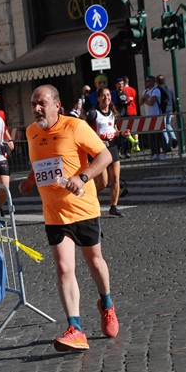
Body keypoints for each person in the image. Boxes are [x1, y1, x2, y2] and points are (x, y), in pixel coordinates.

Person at [19, 84, 119, 352]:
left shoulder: (75, 127)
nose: (37, 108)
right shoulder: (31, 132)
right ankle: (75, 328)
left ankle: (106, 304)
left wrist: (83, 177)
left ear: (57, 104)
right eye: (33, 104)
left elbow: (105, 155)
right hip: (54, 213)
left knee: (95, 262)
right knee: (64, 268)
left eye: (41, 103)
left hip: (83, 209)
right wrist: (30, 179)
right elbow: (40, 161)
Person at [86, 87, 125, 216]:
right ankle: (86, 200)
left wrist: (122, 133)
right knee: (102, 183)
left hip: (112, 147)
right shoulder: (93, 114)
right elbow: (85, 130)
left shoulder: (113, 113)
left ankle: (113, 207)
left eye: (108, 95)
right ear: (98, 98)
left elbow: (114, 130)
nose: (106, 97)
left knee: (116, 179)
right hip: (99, 150)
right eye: (103, 95)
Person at [139, 76, 165, 160]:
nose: (147, 82)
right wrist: (143, 97)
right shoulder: (145, 91)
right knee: (152, 137)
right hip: (148, 117)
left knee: (159, 136)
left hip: (156, 116)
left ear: (153, 82)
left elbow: (151, 102)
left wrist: (145, 99)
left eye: (149, 81)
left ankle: (163, 153)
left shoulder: (156, 90)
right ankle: (154, 153)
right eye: (146, 81)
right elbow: (140, 103)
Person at [156, 74, 177, 150]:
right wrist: (174, 110)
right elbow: (173, 99)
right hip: (170, 109)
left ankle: (167, 144)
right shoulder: (169, 88)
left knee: (163, 127)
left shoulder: (158, 89)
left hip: (162, 110)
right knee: (168, 124)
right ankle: (173, 137)